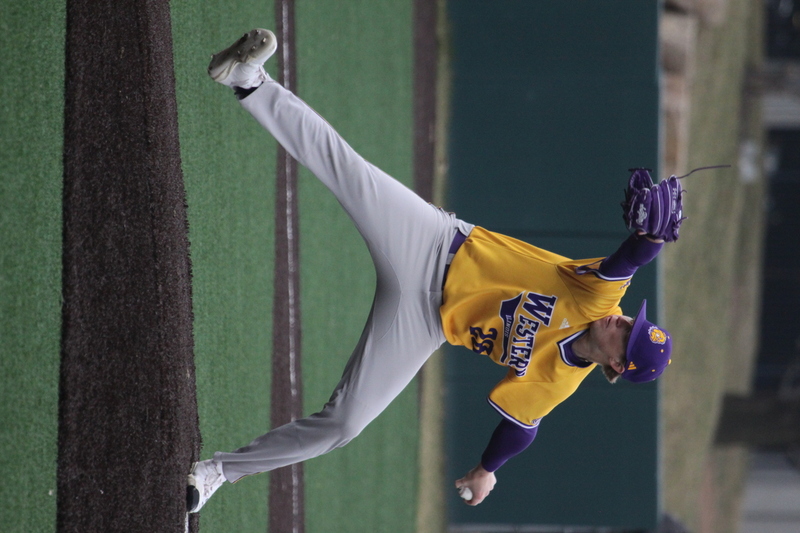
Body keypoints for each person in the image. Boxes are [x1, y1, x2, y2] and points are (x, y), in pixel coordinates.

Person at [186, 28, 674, 513]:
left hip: (424, 321)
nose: (625, 322)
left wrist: (487, 469)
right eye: (636, 321)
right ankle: (248, 81)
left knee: (346, 424)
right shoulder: (598, 301)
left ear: (616, 365)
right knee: (346, 168)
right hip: (435, 241)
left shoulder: (559, 381)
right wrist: (650, 238)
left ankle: (217, 472)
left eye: (629, 336)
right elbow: (626, 262)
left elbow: (521, 428)